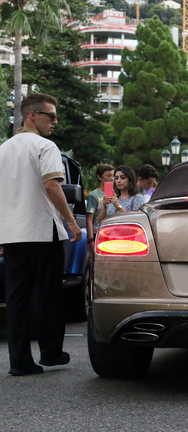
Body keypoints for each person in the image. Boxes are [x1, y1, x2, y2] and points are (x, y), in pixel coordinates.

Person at [0, 93, 82, 376]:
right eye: (51, 116)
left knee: (17, 300)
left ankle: (19, 361)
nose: (55, 122)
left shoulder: (3, 149)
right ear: (32, 115)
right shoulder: (45, 146)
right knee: (49, 296)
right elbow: (52, 186)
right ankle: (51, 353)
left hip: (11, 235)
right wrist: (71, 222)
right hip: (41, 231)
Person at [86, 164, 115, 244]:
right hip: (98, 233)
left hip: (112, 233)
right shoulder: (94, 195)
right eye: (108, 176)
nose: (112, 179)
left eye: (113, 176)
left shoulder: (115, 194)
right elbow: (89, 219)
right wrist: (90, 239)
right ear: (99, 177)